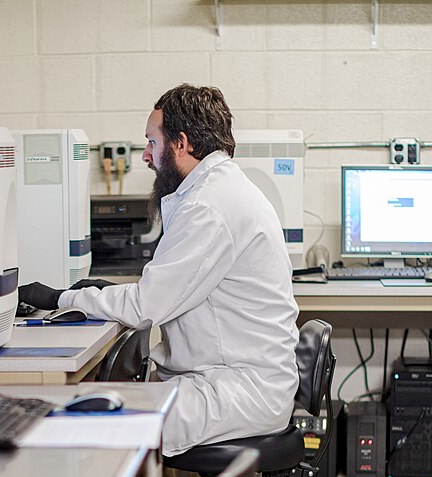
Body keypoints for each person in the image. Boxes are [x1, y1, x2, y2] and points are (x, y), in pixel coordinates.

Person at [19, 84, 300, 458]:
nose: (146, 157)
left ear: (181, 144)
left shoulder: (209, 206)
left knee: (96, 424)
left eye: (152, 142)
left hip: (235, 389)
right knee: (122, 394)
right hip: (225, 377)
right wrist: (102, 292)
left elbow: (144, 307)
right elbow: (171, 288)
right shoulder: (219, 190)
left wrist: (58, 297)